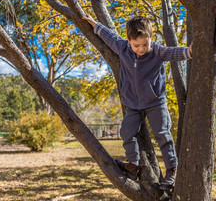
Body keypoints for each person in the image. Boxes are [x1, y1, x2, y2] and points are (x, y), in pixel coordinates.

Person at [82, 14, 192, 189]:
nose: (141, 49)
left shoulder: (156, 51)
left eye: (145, 44)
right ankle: (133, 165)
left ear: (151, 39)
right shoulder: (123, 47)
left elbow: (173, 52)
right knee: (126, 133)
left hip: (155, 102)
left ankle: (172, 170)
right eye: (136, 45)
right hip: (132, 104)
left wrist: (190, 51)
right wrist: (94, 23)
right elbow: (110, 36)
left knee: (162, 134)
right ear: (128, 41)